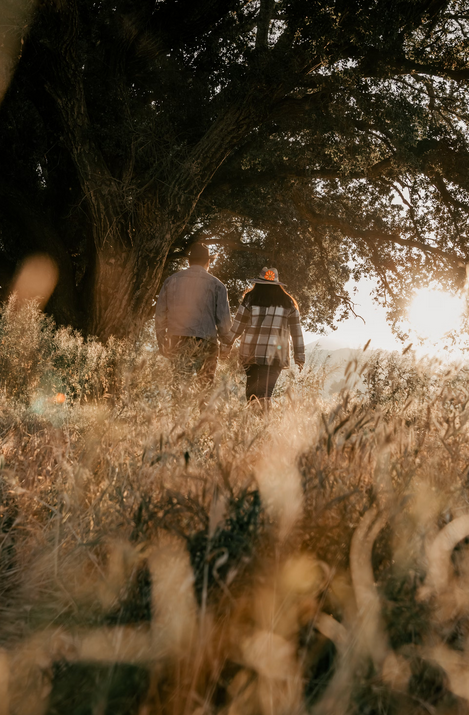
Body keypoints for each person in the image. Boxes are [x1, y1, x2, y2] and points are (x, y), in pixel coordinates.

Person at [221, 267, 305, 406]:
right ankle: (264, 424)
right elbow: (296, 332)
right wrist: (299, 356)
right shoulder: (288, 303)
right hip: (276, 357)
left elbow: (237, 328)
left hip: (251, 355)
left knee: (252, 395)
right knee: (265, 394)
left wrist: (225, 347)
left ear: (258, 283)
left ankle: (254, 424)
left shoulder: (250, 299)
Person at [154, 243, 231, 385]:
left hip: (177, 340)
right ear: (208, 262)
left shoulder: (171, 281)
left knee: (179, 388)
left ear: (189, 261)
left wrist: (162, 341)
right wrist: (226, 345)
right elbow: (223, 321)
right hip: (206, 342)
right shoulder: (217, 285)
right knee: (204, 389)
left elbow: (160, 315)